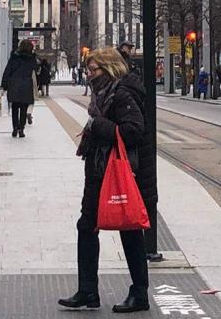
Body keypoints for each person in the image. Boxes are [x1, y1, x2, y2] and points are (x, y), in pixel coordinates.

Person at [60, 47, 150, 313]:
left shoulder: (122, 93)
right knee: (87, 225)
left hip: (116, 170)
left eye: (93, 70)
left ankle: (140, 293)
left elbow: (133, 130)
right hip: (99, 168)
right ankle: (87, 290)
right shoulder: (104, 93)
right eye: (88, 70)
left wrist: (99, 126)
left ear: (109, 68)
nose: (89, 75)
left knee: (129, 229)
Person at [1, 40, 37, 138]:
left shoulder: (14, 57)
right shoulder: (31, 58)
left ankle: (15, 128)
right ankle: (21, 129)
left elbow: (7, 71)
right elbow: (36, 69)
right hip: (26, 85)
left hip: (14, 84)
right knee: (24, 108)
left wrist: (4, 85)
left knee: (15, 107)